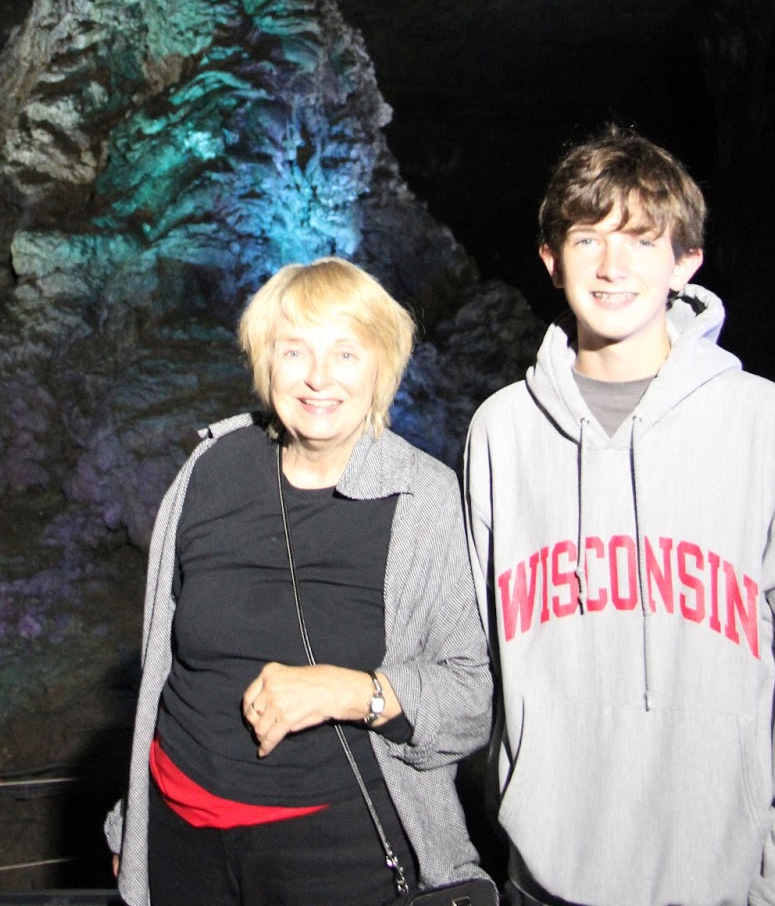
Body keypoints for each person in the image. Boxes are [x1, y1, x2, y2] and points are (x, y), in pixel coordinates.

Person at [463, 127, 775, 906]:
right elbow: (476, 652)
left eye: (642, 240)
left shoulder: (766, 424)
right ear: (551, 261)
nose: (612, 267)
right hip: (541, 876)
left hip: (724, 880)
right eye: (587, 239)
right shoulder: (501, 431)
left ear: (686, 261)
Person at [106, 256, 495, 906]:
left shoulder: (423, 499)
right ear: (266, 364)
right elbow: (164, 668)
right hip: (179, 837)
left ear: (381, 368)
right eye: (294, 351)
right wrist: (133, 821)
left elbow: (471, 702)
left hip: (334, 852)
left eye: (346, 353)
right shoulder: (210, 469)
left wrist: (352, 692)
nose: (318, 377)